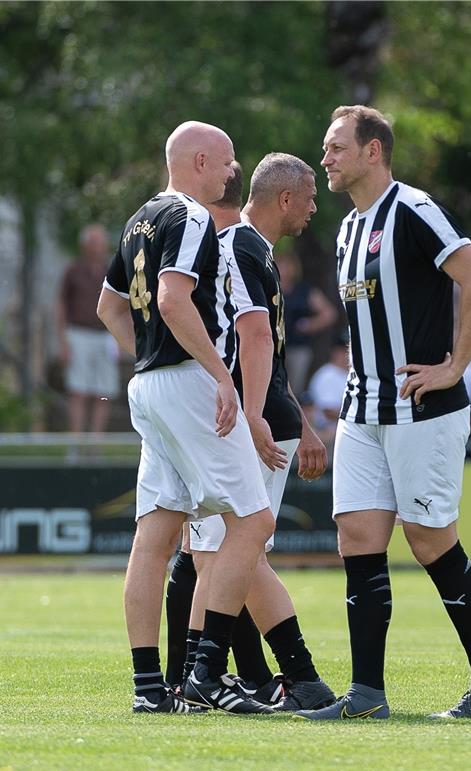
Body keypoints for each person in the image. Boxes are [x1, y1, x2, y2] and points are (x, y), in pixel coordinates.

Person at [298, 104, 471, 721]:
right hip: (360, 409)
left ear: (374, 152)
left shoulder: (414, 209)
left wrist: (453, 366)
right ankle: (366, 696)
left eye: (337, 146)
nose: (327, 157)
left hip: (423, 406)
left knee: (429, 541)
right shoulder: (346, 228)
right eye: (326, 146)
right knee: (357, 540)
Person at [96, 120, 274, 715]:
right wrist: (219, 377)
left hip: (147, 385)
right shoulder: (192, 217)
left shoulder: (137, 219)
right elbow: (173, 299)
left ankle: (150, 688)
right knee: (252, 522)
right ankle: (204, 674)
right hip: (185, 380)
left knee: (155, 534)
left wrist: (145, 357)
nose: (232, 173)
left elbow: (108, 306)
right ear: (199, 161)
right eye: (226, 162)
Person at [165, 156, 337, 712]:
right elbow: (260, 342)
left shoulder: (243, 248)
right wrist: (269, 416)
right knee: (228, 551)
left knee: (227, 551)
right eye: (309, 196)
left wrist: (269, 414)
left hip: (249, 420)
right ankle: (251, 677)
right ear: (284, 199)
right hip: (249, 421)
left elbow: (264, 346)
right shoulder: (245, 247)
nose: (314, 206)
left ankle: (217, 675)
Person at [57, 224, 119, 434]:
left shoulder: (111, 270)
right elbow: (62, 305)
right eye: (95, 242)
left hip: (105, 335)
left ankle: (95, 444)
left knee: (104, 392)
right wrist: (63, 341)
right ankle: (76, 442)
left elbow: (120, 305)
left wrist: (119, 338)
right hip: (79, 334)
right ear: (85, 245)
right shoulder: (73, 271)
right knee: (78, 390)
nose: (100, 247)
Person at [279, 247, 337, 398]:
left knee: (295, 388)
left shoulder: (304, 290)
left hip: (298, 346)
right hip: (275, 347)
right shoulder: (271, 288)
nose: (283, 269)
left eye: (286, 265)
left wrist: (309, 324)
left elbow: (329, 313)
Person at [307, 336, 352, 450]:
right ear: (335, 352)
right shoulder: (327, 375)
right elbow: (329, 412)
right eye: (345, 350)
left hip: (344, 429)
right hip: (326, 431)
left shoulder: (350, 374)